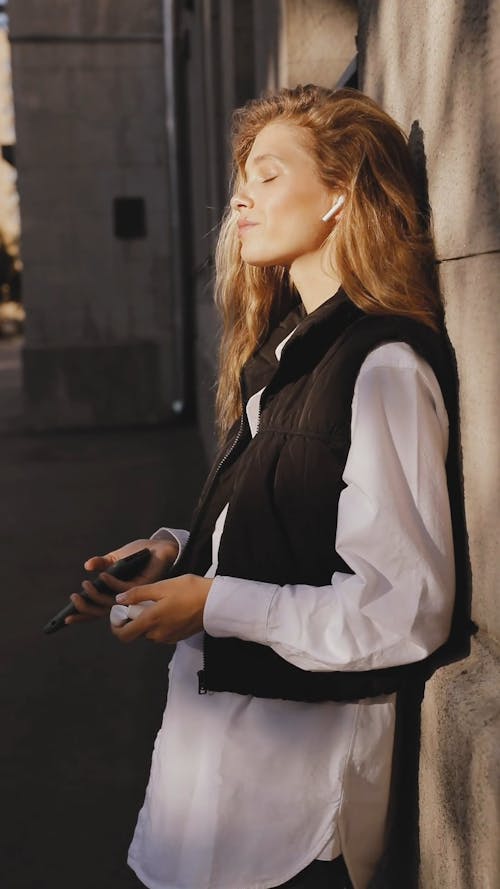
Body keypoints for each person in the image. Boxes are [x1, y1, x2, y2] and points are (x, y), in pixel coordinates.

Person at [66, 86, 468, 889]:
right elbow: (286, 530)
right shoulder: (285, 355)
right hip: (201, 802)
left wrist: (211, 602)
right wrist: (170, 555)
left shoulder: (380, 367)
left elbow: (403, 610)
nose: (240, 197)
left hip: (288, 827)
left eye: (270, 174)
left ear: (341, 194)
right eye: (242, 176)